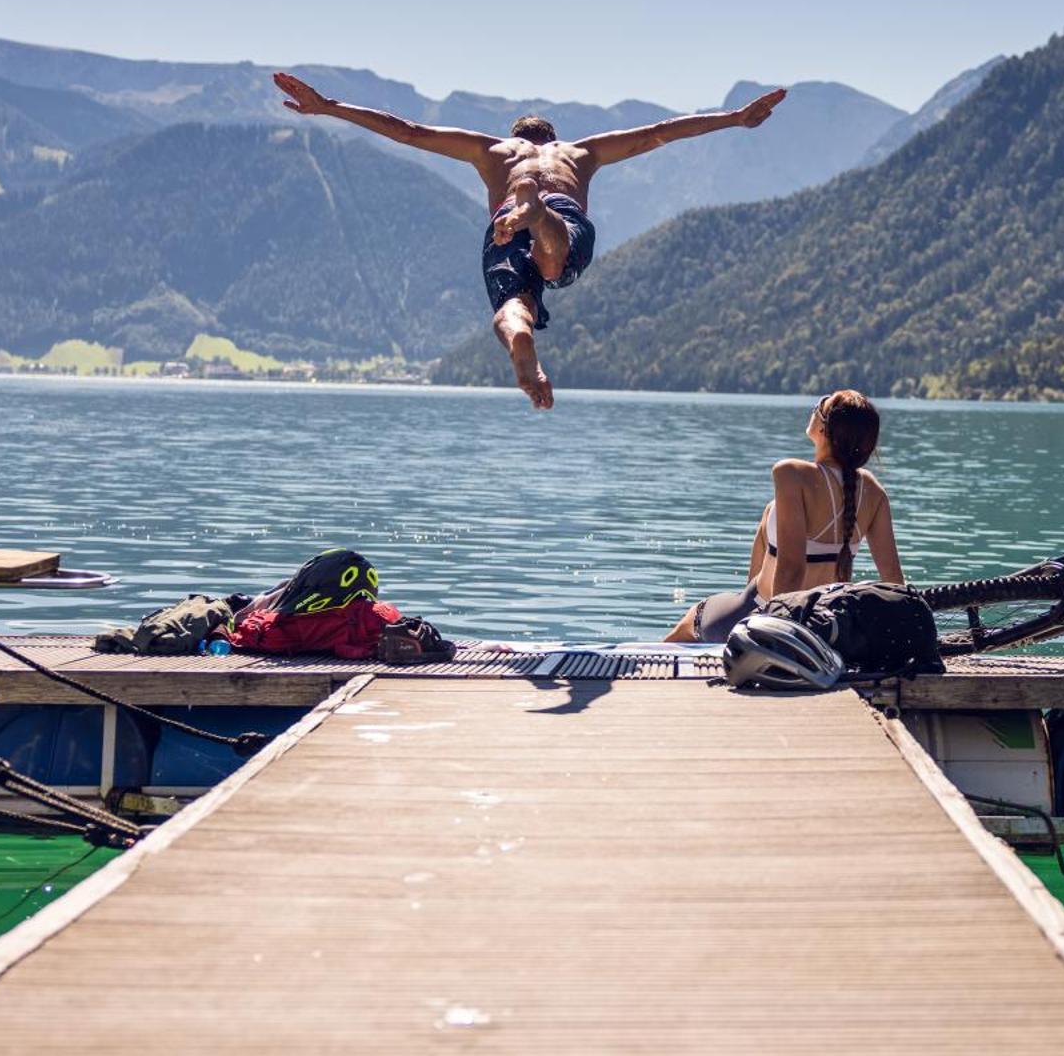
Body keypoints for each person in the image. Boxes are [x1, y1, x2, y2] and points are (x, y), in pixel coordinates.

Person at [272, 72, 785, 408]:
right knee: (555, 260)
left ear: (518, 138)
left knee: (511, 307)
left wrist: (330, 106)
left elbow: (407, 131)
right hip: (561, 217)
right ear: (552, 139)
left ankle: (524, 333)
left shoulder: (493, 150)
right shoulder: (580, 153)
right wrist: (735, 119)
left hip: (504, 222)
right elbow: (660, 132)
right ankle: (539, 216)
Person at [665, 390, 904, 643]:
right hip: (825, 622)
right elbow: (894, 581)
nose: (814, 407)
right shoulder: (873, 491)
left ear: (824, 429)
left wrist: (779, 639)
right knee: (769, 511)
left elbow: (791, 569)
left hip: (771, 618)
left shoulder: (792, 473)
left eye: (820, 404)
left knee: (689, 623)